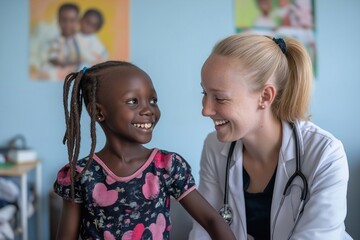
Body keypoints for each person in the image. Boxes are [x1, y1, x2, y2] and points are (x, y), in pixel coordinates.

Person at [188, 33, 352, 239]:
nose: (206, 110)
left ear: (265, 96)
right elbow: (204, 230)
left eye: (219, 98)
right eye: (205, 94)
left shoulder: (326, 154)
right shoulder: (214, 147)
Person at [53, 61, 236, 240]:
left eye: (152, 100)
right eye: (133, 101)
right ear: (98, 112)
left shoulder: (168, 166)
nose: (148, 109)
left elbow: (212, 220)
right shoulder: (80, 175)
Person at [40, 3, 81, 81]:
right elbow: (53, 59)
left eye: (72, 20)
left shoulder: (81, 40)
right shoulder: (55, 41)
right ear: (58, 21)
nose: (67, 24)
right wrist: (67, 64)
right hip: (59, 73)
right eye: (64, 20)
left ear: (77, 21)